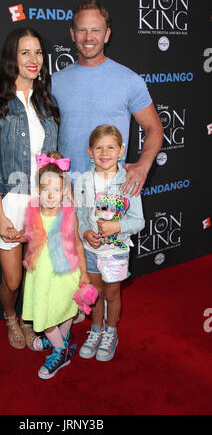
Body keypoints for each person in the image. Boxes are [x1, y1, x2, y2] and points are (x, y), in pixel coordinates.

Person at [0, 27, 59, 351]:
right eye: (25, 52)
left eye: (38, 52)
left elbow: (52, 155)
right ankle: (10, 315)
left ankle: (26, 318)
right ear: (12, 57)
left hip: (43, 202)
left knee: (36, 275)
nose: (33, 59)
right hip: (9, 201)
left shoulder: (46, 100)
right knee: (13, 279)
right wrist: (0, 215)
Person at [52, 0, 163, 197]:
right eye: (81, 30)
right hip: (67, 195)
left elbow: (154, 128)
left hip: (112, 194)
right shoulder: (55, 83)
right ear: (72, 34)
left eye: (96, 30)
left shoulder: (130, 80)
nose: (88, 37)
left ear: (107, 35)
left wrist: (143, 166)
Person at [74, 125, 145, 361]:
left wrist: (118, 226)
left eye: (111, 147)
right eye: (98, 148)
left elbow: (139, 221)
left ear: (121, 150)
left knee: (112, 294)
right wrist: (85, 232)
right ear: (89, 152)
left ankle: (110, 332)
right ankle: (96, 330)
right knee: (95, 293)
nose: (104, 153)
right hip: (90, 250)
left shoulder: (129, 181)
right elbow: (80, 216)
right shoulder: (83, 180)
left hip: (116, 251)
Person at [21, 151, 90, 379]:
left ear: (64, 191)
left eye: (57, 190)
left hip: (65, 274)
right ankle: (61, 343)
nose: (51, 195)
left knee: (64, 309)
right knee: (45, 314)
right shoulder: (32, 210)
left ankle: (61, 350)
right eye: (45, 189)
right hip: (41, 274)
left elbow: (78, 245)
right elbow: (31, 236)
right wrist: (17, 235)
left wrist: (85, 275)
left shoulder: (69, 213)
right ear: (38, 190)